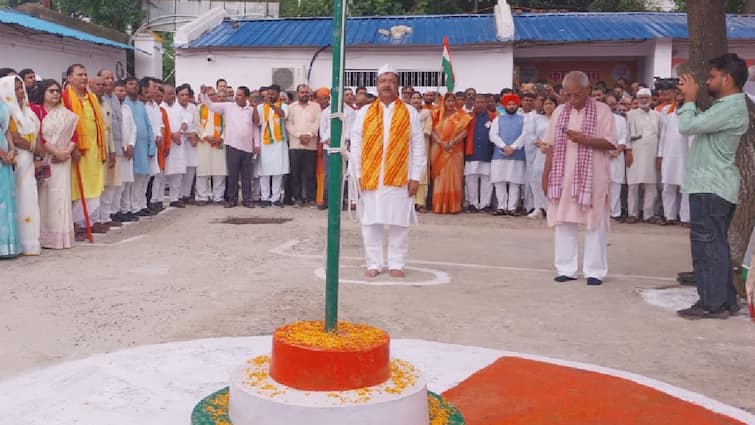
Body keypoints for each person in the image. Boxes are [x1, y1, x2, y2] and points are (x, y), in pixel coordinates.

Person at [675, 53, 750, 320]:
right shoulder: (728, 105)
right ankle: (726, 300)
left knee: (706, 246)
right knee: (715, 245)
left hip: (711, 185)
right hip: (713, 184)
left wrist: (690, 100)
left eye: (712, 76)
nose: (707, 81)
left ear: (726, 79)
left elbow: (688, 126)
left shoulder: (731, 107)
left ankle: (711, 303)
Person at [350, 64, 426, 278]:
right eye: (383, 81)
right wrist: (357, 173)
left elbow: (418, 146)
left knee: (398, 221)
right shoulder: (365, 112)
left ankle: (396, 263)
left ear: (397, 86)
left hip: (400, 177)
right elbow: (356, 143)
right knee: (370, 221)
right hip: (371, 176)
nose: (386, 85)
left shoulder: (410, 112)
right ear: (377, 85)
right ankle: (373, 263)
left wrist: (415, 177)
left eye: (391, 81)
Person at [542, 71, 617, 286]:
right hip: (563, 176)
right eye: (567, 95)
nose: (571, 100)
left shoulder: (602, 111)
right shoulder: (559, 112)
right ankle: (566, 268)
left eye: (576, 95)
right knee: (563, 220)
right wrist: (545, 175)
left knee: (595, 223)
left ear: (587, 91)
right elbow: (551, 146)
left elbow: (611, 143)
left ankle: (595, 271)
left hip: (593, 176)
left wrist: (586, 140)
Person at [30, 79, 79, 249]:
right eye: (51, 91)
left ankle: (59, 238)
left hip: (62, 161)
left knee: (59, 197)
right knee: (42, 197)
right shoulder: (35, 110)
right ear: (43, 92)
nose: (56, 94)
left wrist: (65, 152)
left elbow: (74, 135)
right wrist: (55, 152)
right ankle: (42, 236)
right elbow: (37, 136)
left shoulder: (66, 113)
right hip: (43, 159)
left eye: (58, 91)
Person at [2, 75, 42, 254]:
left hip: (28, 159)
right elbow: (14, 136)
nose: (20, 91)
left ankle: (28, 241)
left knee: (29, 198)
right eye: (16, 88)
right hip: (16, 159)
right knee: (16, 199)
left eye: (21, 88)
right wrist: (34, 148)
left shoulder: (27, 110)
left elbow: (35, 133)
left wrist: (37, 152)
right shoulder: (7, 110)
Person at [200, 85, 258, 208]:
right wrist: (204, 95)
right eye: (236, 94)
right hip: (232, 145)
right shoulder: (228, 106)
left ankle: (247, 199)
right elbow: (211, 106)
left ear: (246, 97)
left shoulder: (251, 109)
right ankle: (232, 200)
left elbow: (255, 126)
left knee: (246, 176)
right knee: (233, 175)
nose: (237, 97)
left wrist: (256, 144)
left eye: (240, 95)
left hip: (247, 147)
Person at [625, 87, 662, 224]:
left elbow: (662, 137)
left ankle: (648, 214)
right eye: (641, 98)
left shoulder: (658, 116)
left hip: (653, 154)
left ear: (651, 99)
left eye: (647, 97)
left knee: (651, 184)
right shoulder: (630, 115)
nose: (644, 100)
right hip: (635, 152)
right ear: (637, 100)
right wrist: (628, 151)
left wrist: (660, 156)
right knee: (633, 184)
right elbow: (626, 135)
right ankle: (632, 213)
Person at [430, 93, 471, 214]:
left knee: (455, 177)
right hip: (439, 149)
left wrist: (452, 142)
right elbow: (432, 131)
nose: (451, 103)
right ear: (444, 102)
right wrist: (442, 143)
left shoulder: (462, 116)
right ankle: (439, 206)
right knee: (440, 176)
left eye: (453, 101)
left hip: (455, 150)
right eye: (448, 101)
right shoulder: (437, 114)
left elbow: (465, 132)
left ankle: (453, 206)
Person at [89, 76, 120, 231]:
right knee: (96, 186)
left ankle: (105, 217)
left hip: (108, 146)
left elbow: (109, 129)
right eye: (98, 84)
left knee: (109, 184)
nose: (101, 87)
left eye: (103, 85)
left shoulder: (105, 103)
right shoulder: (89, 102)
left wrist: (112, 151)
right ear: (90, 86)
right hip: (94, 149)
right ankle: (93, 220)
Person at [490, 93, 528, 216]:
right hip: (500, 154)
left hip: (516, 155)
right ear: (504, 106)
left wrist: (513, 147)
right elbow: (493, 136)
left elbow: (525, 135)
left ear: (517, 105)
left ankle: (512, 208)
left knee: (514, 182)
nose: (511, 106)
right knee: (499, 181)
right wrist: (504, 147)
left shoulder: (524, 119)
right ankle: (501, 206)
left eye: (513, 104)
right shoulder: (498, 119)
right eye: (509, 104)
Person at [657, 90, 691, 225]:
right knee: (668, 187)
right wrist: (660, 156)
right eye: (677, 101)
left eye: (682, 101)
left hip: (686, 158)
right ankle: (669, 216)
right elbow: (663, 138)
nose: (679, 104)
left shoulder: (693, 117)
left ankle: (685, 218)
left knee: (686, 189)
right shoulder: (669, 117)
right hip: (669, 157)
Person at [124, 77, 156, 217]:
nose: (134, 87)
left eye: (136, 85)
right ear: (125, 87)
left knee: (143, 177)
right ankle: (132, 207)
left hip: (143, 147)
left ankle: (141, 205)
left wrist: (151, 145)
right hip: (132, 147)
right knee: (132, 179)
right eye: (130, 84)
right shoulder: (124, 105)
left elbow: (148, 126)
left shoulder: (140, 105)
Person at [286, 84, 321, 207]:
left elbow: (317, 122)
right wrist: (299, 135)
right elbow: (289, 124)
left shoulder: (316, 107)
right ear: (297, 93)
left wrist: (309, 135)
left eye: (307, 92)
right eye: (302, 92)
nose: (305, 94)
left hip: (310, 145)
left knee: (310, 174)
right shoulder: (291, 107)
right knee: (296, 174)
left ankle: (311, 199)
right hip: (295, 145)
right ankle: (298, 199)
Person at [254, 84, 289, 207]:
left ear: (278, 95)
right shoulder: (260, 107)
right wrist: (255, 107)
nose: (269, 96)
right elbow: (256, 122)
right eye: (268, 94)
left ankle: (275, 198)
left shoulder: (283, 106)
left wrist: (272, 105)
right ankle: (264, 198)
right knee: (264, 172)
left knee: (278, 172)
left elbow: (283, 115)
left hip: (279, 143)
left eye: (272, 94)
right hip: (265, 143)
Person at [98, 69, 125, 226]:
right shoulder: (98, 99)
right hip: (104, 147)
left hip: (116, 147)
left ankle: (108, 215)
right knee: (103, 184)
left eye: (111, 78)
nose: (109, 81)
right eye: (106, 78)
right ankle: (99, 218)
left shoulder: (114, 98)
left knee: (114, 183)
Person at [165, 84, 198, 208]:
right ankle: (177, 196)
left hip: (191, 141)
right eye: (182, 95)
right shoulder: (174, 107)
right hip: (178, 142)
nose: (185, 97)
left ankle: (186, 194)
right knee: (178, 169)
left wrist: (194, 134)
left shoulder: (193, 107)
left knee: (190, 169)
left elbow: (196, 123)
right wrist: (183, 134)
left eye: (187, 95)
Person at [0, 85, 22, 258]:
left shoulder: (3, 104)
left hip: (6, 156)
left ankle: (7, 246)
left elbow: (6, 129)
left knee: (6, 198)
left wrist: (12, 150)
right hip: (2, 156)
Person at [195, 86, 227, 205]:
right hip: (204, 143)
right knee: (203, 170)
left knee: (219, 170)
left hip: (219, 143)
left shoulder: (222, 109)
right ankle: (203, 196)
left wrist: (221, 138)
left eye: (213, 94)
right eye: (209, 95)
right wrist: (205, 136)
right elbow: (196, 124)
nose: (211, 97)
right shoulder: (199, 108)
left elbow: (227, 125)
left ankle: (218, 197)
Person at [463, 94, 495, 213]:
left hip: (488, 153)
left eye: (482, 102)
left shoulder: (493, 117)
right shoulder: (468, 117)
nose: (480, 104)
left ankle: (485, 204)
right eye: (478, 102)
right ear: (473, 103)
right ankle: (473, 204)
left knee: (486, 179)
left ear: (486, 104)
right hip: (472, 153)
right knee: (471, 179)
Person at [527, 95, 557, 219]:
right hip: (541, 151)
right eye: (546, 104)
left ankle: (551, 208)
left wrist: (552, 147)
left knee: (553, 179)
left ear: (555, 105)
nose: (548, 106)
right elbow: (531, 135)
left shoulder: (560, 119)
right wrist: (541, 145)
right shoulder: (537, 119)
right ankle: (538, 207)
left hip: (556, 152)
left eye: (551, 103)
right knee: (537, 178)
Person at [113, 80, 138, 223]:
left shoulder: (127, 108)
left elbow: (133, 128)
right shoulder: (112, 107)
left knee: (128, 182)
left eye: (123, 91)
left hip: (128, 150)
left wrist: (131, 145)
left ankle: (126, 209)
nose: (122, 93)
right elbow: (117, 130)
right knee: (119, 184)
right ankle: (115, 211)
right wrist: (123, 145)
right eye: (119, 91)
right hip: (119, 151)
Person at [605, 94, 629, 222]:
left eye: (614, 104)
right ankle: (602, 214)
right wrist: (605, 151)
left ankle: (615, 213)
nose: (612, 106)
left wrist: (617, 150)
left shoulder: (621, 120)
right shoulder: (597, 119)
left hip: (617, 155)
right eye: (609, 104)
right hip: (601, 155)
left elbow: (624, 136)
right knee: (602, 185)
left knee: (615, 185)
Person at [410, 92, 433, 213]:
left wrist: (416, 131)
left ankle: (420, 202)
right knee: (409, 172)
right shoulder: (406, 113)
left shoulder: (426, 114)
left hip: (423, 146)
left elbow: (428, 130)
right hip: (408, 147)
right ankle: (410, 202)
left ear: (421, 100)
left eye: (418, 98)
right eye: (413, 98)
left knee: (422, 174)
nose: (416, 100)